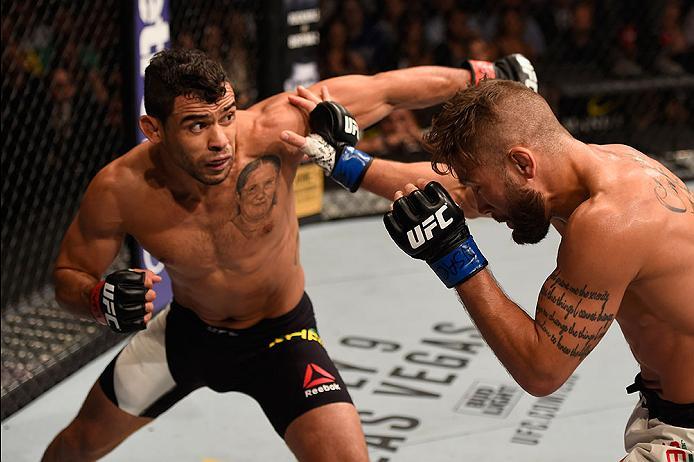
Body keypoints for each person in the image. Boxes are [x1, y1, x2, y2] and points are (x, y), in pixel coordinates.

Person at [42, 48, 537, 461]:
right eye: (196, 126)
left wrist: (486, 75)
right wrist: (94, 298)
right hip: (186, 333)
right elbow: (70, 273)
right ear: (153, 129)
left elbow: (387, 89)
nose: (221, 142)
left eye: (226, 117)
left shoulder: (276, 127)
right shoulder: (119, 189)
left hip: (282, 335)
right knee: (74, 448)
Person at [379, 80, 693, 460]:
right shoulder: (609, 162)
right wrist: (347, 165)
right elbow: (453, 192)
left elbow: (541, 371)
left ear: (522, 163)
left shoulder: (609, 221)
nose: (476, 203)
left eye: (480, 187)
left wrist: (455, 256)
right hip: (667, 411)